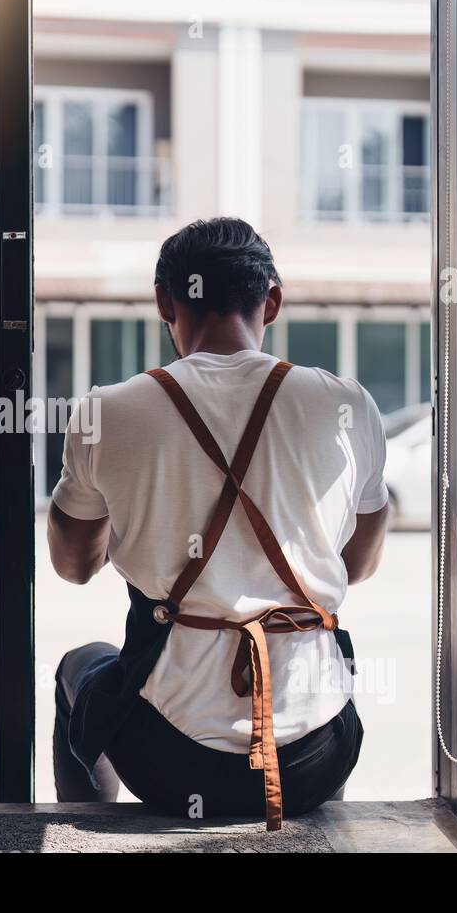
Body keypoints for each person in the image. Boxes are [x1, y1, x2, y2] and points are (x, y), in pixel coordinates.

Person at [48, 217, 390, 826]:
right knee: (326, 675)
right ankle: (313, 832)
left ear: (164, 301)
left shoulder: (107, 411)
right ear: (273, 302)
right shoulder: (346, 404)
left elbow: (73, 566)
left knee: (81, 664)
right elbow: (358, 566)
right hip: (314, 759)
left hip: (171, 763)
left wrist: (134, 505)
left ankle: (84, 834)